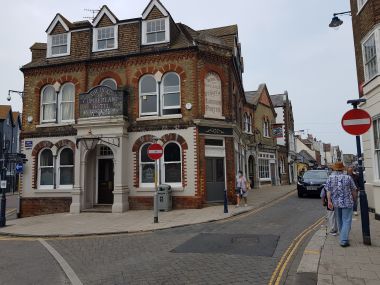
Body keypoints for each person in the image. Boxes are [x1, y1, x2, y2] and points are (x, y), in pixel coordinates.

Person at [325, 162, 357, 247]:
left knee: (339, 220)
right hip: (347, 202)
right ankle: (343, 240)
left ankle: (343, 236)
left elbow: (328, 191)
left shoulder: (330, 178)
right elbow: (354, 190)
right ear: (343, 169)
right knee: (346, 220)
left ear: (334, 169)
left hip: (336, 203)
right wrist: (354, 199)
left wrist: (329, 201)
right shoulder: (348, 178)